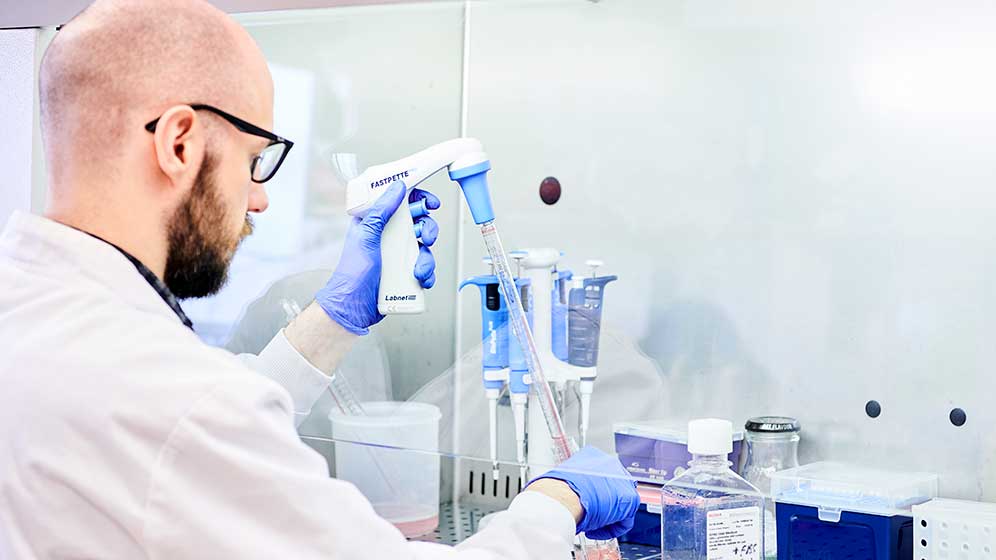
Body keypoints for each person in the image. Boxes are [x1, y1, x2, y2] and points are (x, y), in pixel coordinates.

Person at [0, 0, 639, 558]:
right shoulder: (173, 404)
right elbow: (191, 428)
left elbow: (183, 442)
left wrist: (334, 317)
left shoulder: (31, 311)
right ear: (179, 144)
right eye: (256, 162)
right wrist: (555, 501)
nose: (259, 200)